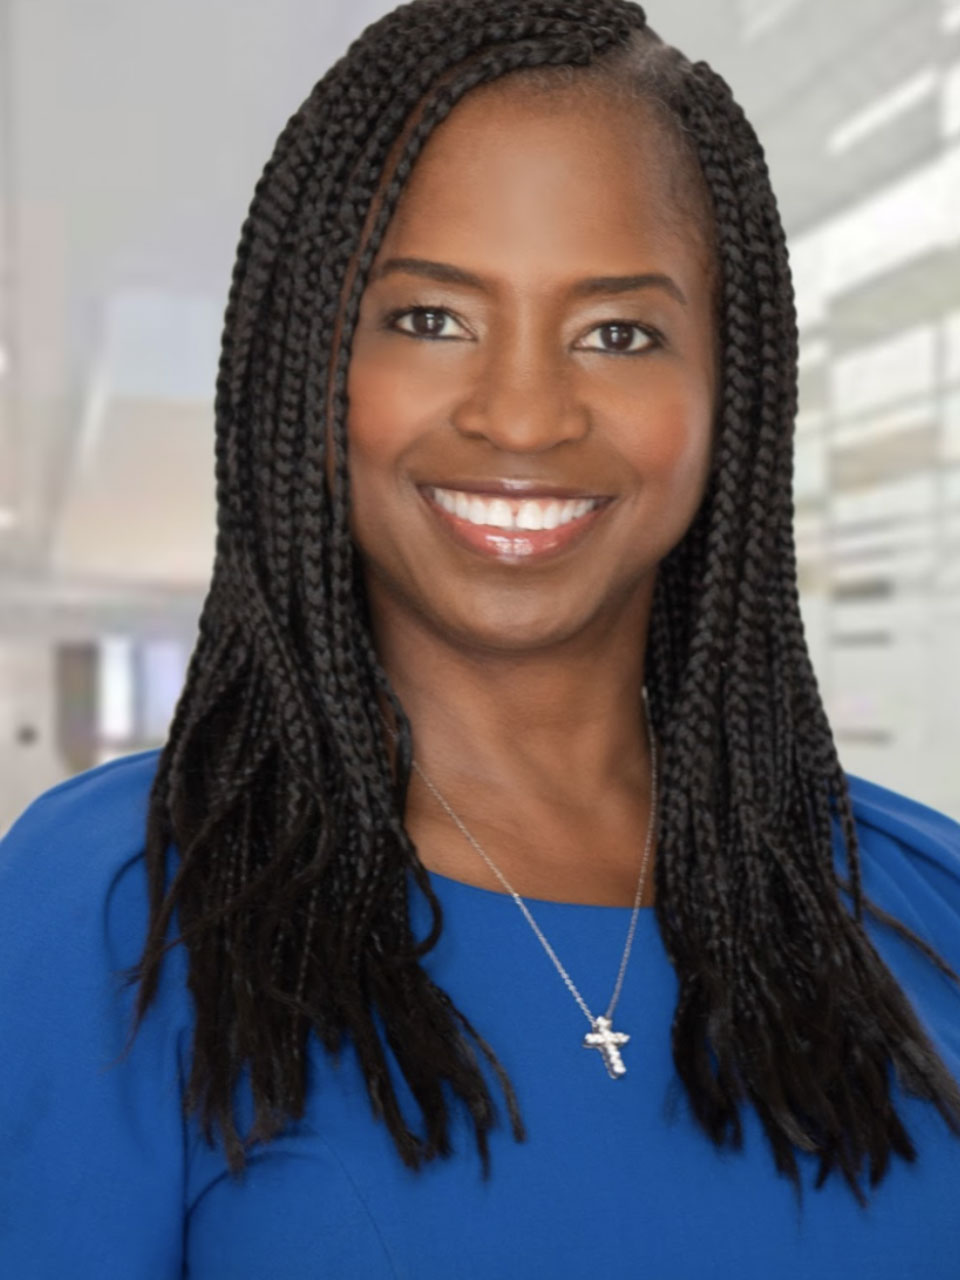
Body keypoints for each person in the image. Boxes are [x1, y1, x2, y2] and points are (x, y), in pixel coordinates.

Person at [3, 0, 960, 1275]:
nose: (522, 416)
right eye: (430, 318)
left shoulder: (923, 906)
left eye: (618, 332)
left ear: (730, 392)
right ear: (310, 361)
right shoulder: (120, 909)